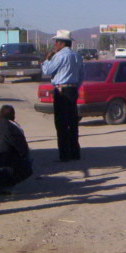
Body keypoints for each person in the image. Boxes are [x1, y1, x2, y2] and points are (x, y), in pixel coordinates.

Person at [42, 30, 83, 162]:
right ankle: (75, 152)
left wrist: (47, 59)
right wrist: (75, 87)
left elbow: (47, 70)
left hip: (61, 91)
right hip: (73, 90)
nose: (55, 45)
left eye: (56, 42)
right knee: (73, 122)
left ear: (61, 43)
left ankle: (64, 154)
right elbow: (82, 76)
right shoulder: (77, 56)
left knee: (61, 123)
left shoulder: (59, 56)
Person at [0, 104, 32, 192]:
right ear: (13, 116)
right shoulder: (14, 128)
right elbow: (23, 150)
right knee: (25, 161)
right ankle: (6, 185)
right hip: (5, 169)